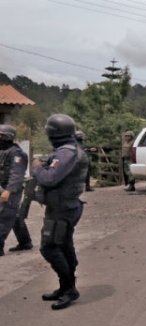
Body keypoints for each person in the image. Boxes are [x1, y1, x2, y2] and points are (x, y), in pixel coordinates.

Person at [31, 114, 90, 310]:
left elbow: (49, 179)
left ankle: (69, 289)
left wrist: (37, 168)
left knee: (49, 247)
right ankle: (66, 286)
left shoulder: (66, 153)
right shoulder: (72, 149)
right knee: (64, 246)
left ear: (53, 133)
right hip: (66, 206)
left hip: (62, 209)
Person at [0, 125, 32, 256]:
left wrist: (9, 191)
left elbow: (16, 174)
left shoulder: (16, 153)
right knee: (15, 216)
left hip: (11, 190)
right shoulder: (2, 151)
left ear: (7, 137)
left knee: (4, 216)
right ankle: (25, 242)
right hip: (2, 187)